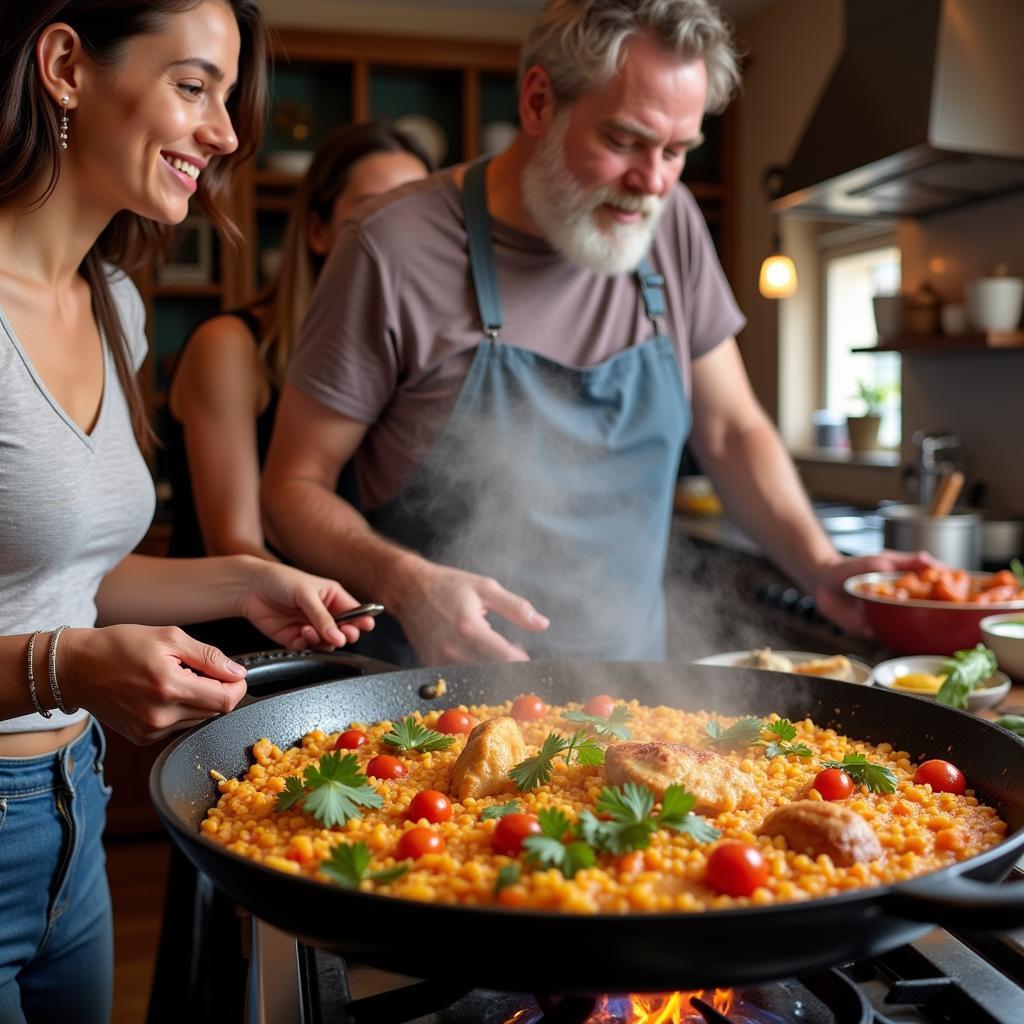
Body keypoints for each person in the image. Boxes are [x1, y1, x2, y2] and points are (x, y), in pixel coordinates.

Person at [262, 0, 931, 667]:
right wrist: (407, 585)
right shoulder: (392, 248)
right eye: (624, 141)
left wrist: (819, 564)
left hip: (639, 699)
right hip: (437, 704)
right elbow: (293, 488)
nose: (653, 182)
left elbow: (730, 430)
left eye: (677, 151)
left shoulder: (672, 224)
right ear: (536, 102)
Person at [0, 3, 375, 1022]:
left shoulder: (113, 299)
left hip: (72, 807)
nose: (227, 134)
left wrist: (249, 582)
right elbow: (54, 629)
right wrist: (64, 664)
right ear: (67, 66)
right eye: (195, 85)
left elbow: (70, 578)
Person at [163, 122, 430, 653]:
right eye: (379, 213)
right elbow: (234, 543)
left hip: (351, 639)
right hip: (243, 654)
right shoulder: (231, 346)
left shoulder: (398, 364)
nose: (404, 239)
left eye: (421, 218)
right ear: (318, 231)